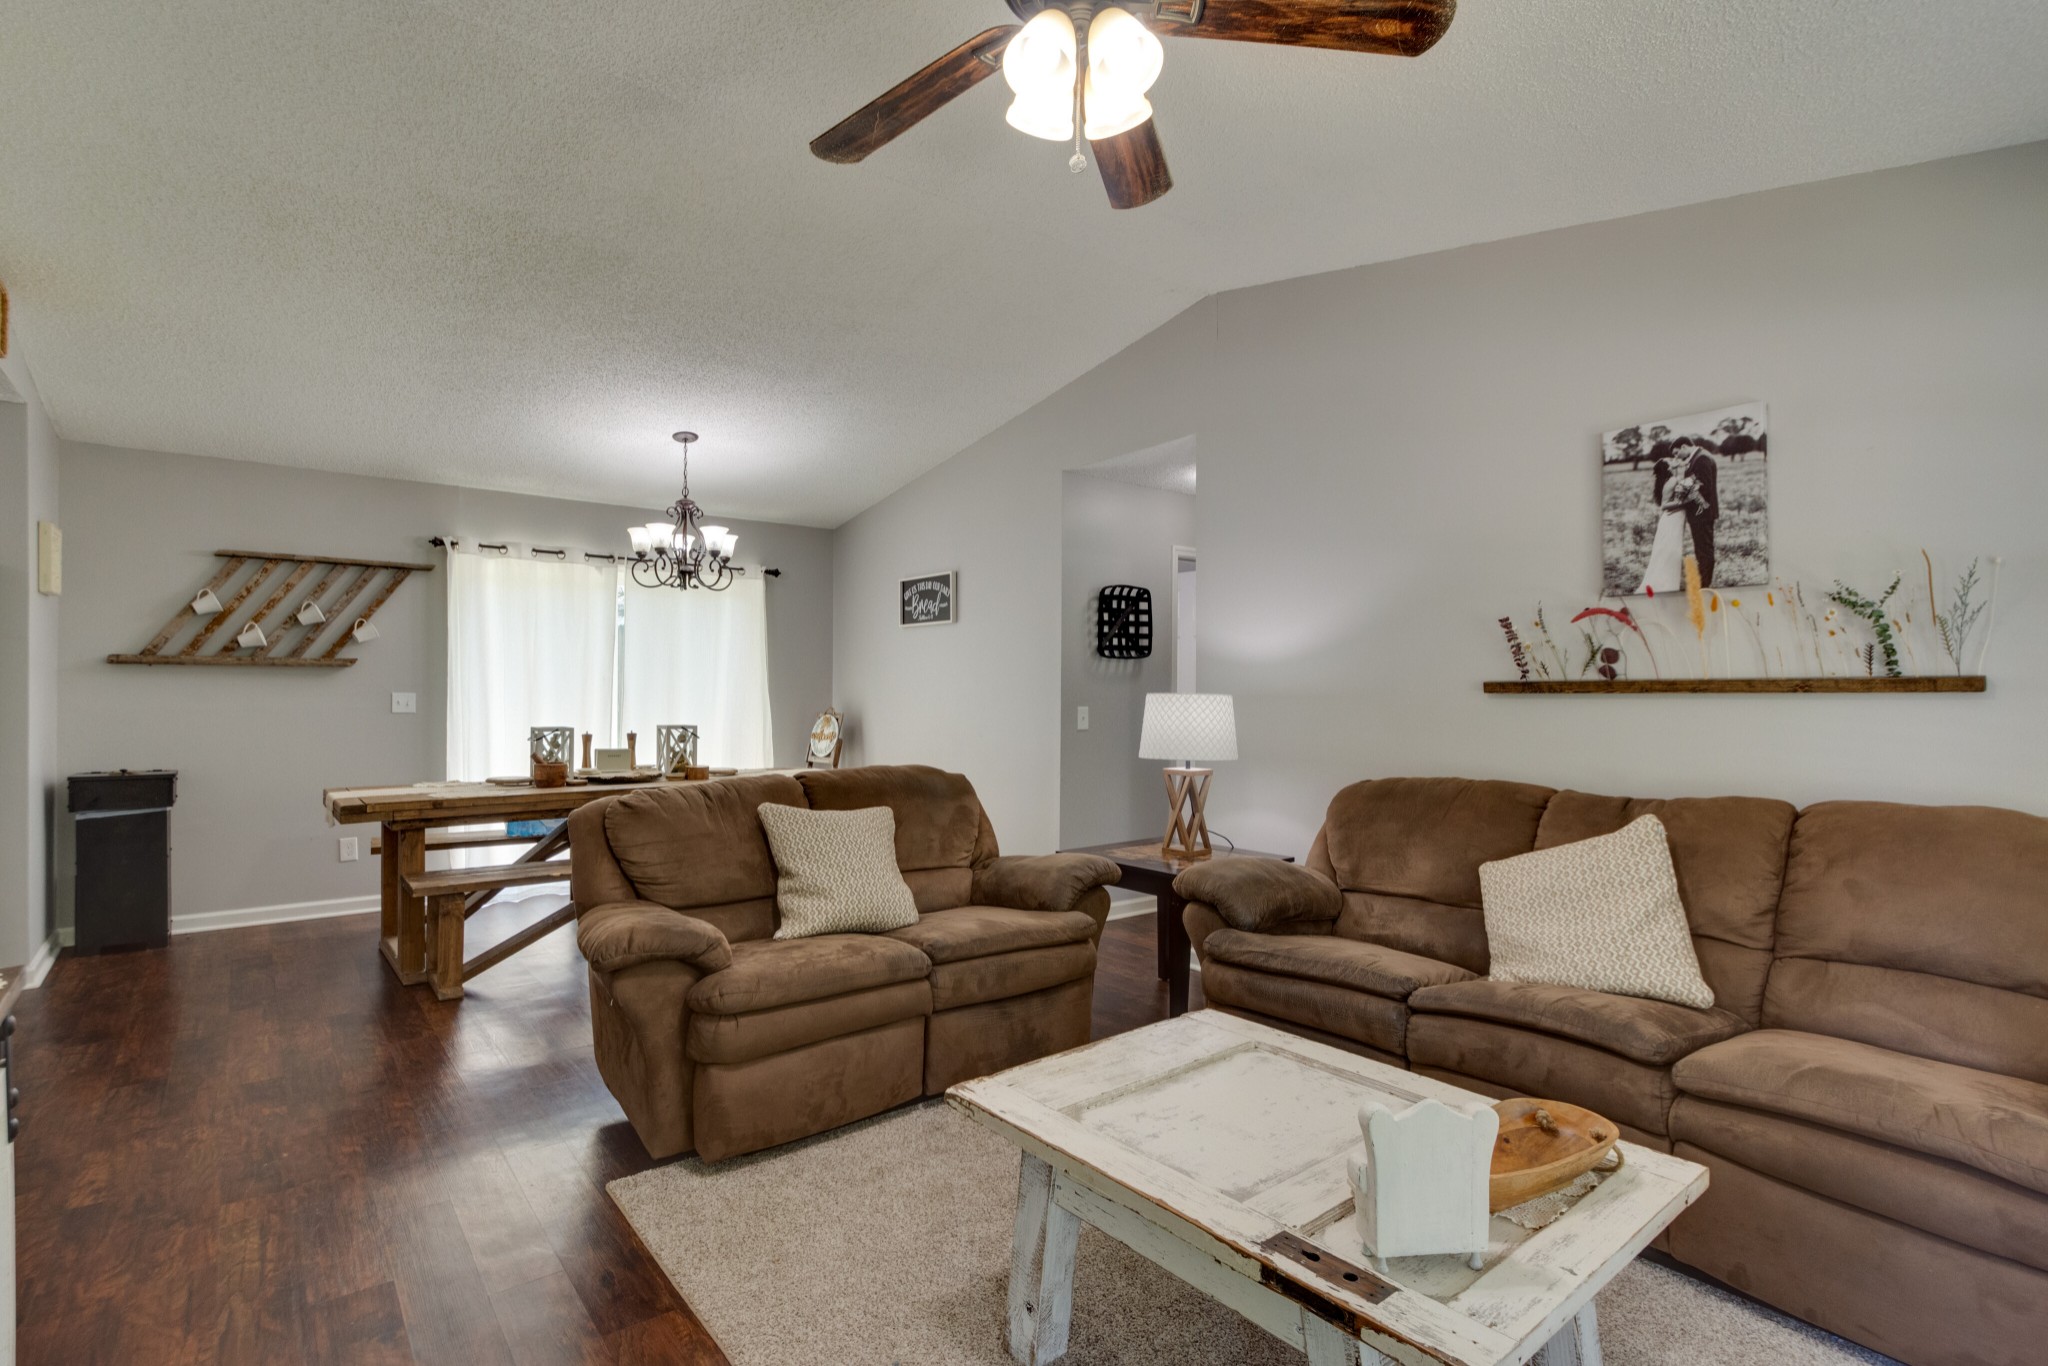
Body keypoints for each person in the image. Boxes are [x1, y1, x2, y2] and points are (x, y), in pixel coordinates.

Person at [1638, 447, 1710, 595]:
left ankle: (1667, 581)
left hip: (1676, 519)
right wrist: (1686, 502)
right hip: (1671, 520)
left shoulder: (1676, 479)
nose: (1674, 459)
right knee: (1669, 551)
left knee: (1672, 550)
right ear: (1669, 468)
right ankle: (1664, 583)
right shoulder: (1671, 481)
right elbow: (1664, 505)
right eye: (1670, 460)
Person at [1651, 436, 1721, 585]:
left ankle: (1704, 584)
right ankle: (1703, 581)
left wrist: (1682, 500)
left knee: (1704, 551)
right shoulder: (1699, 457)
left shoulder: (1702, 459)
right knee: (1701, 550)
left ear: (1684, 447)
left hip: (1702, 513)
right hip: (1699, 512)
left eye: (1676, 453)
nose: (1676, 457)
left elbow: (1704, 487)